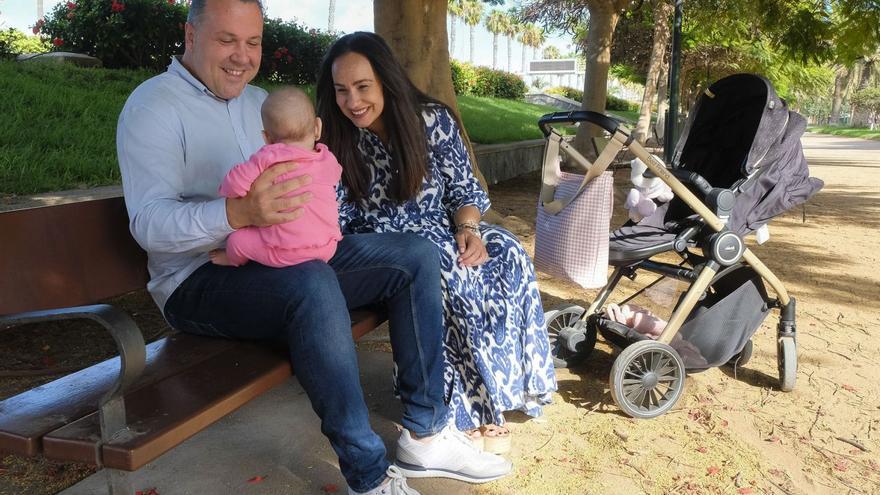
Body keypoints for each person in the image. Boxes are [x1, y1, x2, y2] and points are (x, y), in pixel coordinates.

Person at [115, 1, 512, 494]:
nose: (242, 56)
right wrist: (237, 214)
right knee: (312, 282)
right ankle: (367, 476)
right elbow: (148, 225)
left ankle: (426, 434)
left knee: (413, 255)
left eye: (253, 42)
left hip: (287, 257)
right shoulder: (154, 106)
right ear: (190, 36)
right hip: (200, 278)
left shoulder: (257, 100)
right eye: (226, 40)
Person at [316, 32, 557, 456]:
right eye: (341, 90)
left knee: (507, 252)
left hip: (442, 226)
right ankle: (465, 409)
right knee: (444, 267)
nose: (352, 101)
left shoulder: (431, 121)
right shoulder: (334, 138)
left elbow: (465, 190)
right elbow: (334, 215)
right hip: (380, 242)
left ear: (385, 81)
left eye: (362, 87)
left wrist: (470, 228)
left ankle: (501, 389)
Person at [210, 86, 342, 267]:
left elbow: (234, 185)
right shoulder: (327, 158)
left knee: (237, 240)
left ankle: (232, 260)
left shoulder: (267, 157)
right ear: (317, 128)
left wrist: (223, 189)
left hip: (284, 251)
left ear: (267, 138)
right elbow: (335, 176)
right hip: (328, 246)